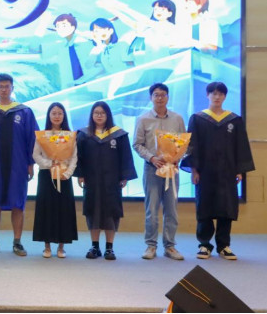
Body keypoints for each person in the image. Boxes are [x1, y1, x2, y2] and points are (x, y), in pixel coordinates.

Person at [182, 82, 255, 261]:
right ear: (207, 95)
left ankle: (224, 245)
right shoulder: (198, 119)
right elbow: (192, 146)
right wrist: (194, 170)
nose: (217, 97)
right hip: (205, 171)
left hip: (227, 171)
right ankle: (204, 245)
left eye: (220, 94)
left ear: (224, 96)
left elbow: (240, 146)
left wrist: (239, 170)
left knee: (226, 207)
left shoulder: (234, 120)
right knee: (204, 206)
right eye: (213, 93)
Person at [0, 74, 38, 257]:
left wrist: (30, 164)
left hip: (18, 165)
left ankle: (17, 242)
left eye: (7, 86)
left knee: (18, 204)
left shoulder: (24, 112)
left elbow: (32, 139)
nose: (4, 89)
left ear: (12, 88)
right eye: (0, 86)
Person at [75, 102, 137, 261]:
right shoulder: (84, 134)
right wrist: (80, 175)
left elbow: (126, 157)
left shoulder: (119, 135)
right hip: (92, 181)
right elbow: (78, 157)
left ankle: (110, 247)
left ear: (108, 115)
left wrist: (124, 176)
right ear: (92, 115)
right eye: (96, 112)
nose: (99, 115)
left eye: (102, 113)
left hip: (112, 181)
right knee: (92, 211)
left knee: (111, 212)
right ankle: (94, 246)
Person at [133, 83, 187, 261]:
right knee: (152, 209)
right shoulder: (143, 119)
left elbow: (183, 143)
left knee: (171, 209)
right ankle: (151, 245)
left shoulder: (177, 118)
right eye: (156, 95)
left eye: (163, 95)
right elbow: (137, 144)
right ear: (151, 98)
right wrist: (152, 158)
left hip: (171, 169)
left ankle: (170, 246)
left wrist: (178, 157)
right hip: (152, 169)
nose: (160, 98)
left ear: (168, 97)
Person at [32, 103, 78, 259]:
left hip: (64, 176)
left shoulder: (70, 135)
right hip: (46, 175)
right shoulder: (42, 135)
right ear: (49, 116)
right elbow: (36, 155)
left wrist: (68, 173)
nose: (57, 116)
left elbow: (74, 156)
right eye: (54, 113)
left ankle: (61, 246)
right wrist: (50, 163)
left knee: (63, 210)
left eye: (60, 113)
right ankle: (47, 246)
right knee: (46, 209)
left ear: (64, 115)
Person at [78, 18, 132, 83]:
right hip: (110, 82)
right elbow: (89, 66)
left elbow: (131, 66)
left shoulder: (122, 44)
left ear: (110, 31)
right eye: (96, 31)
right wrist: (98, 45)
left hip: (127, 80)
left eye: (102, 29)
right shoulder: (98, 49)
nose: (100, 33)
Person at [45, 14, 89, 90]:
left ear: (73, 27)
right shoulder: (60, 45)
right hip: (71, 89)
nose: (60, 29)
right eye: (57, 26)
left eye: (64, 25)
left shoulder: (84, 41)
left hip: (91, 86)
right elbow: (34, 48)